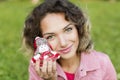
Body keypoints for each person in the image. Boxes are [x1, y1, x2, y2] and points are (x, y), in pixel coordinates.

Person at [23, 0, 117, 80]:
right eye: (50, 36)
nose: (63, 43)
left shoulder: (103, 63)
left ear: (78, 28)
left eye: (68, 30)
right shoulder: (38, 68)